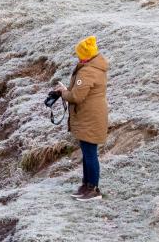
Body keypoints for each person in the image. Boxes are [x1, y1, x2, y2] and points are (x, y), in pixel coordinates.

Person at [54, 35, 109, 201]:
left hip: (89, 118)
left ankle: (93, 189)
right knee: (87, 152)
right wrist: (66, 90)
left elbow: (77, 97)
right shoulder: (94, 66)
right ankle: (86, 185)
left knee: (90, 154)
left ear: (85, 55)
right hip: (91, 116)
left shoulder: (88, 71)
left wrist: (63, 93)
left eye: (79, 53)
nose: (77, 56)